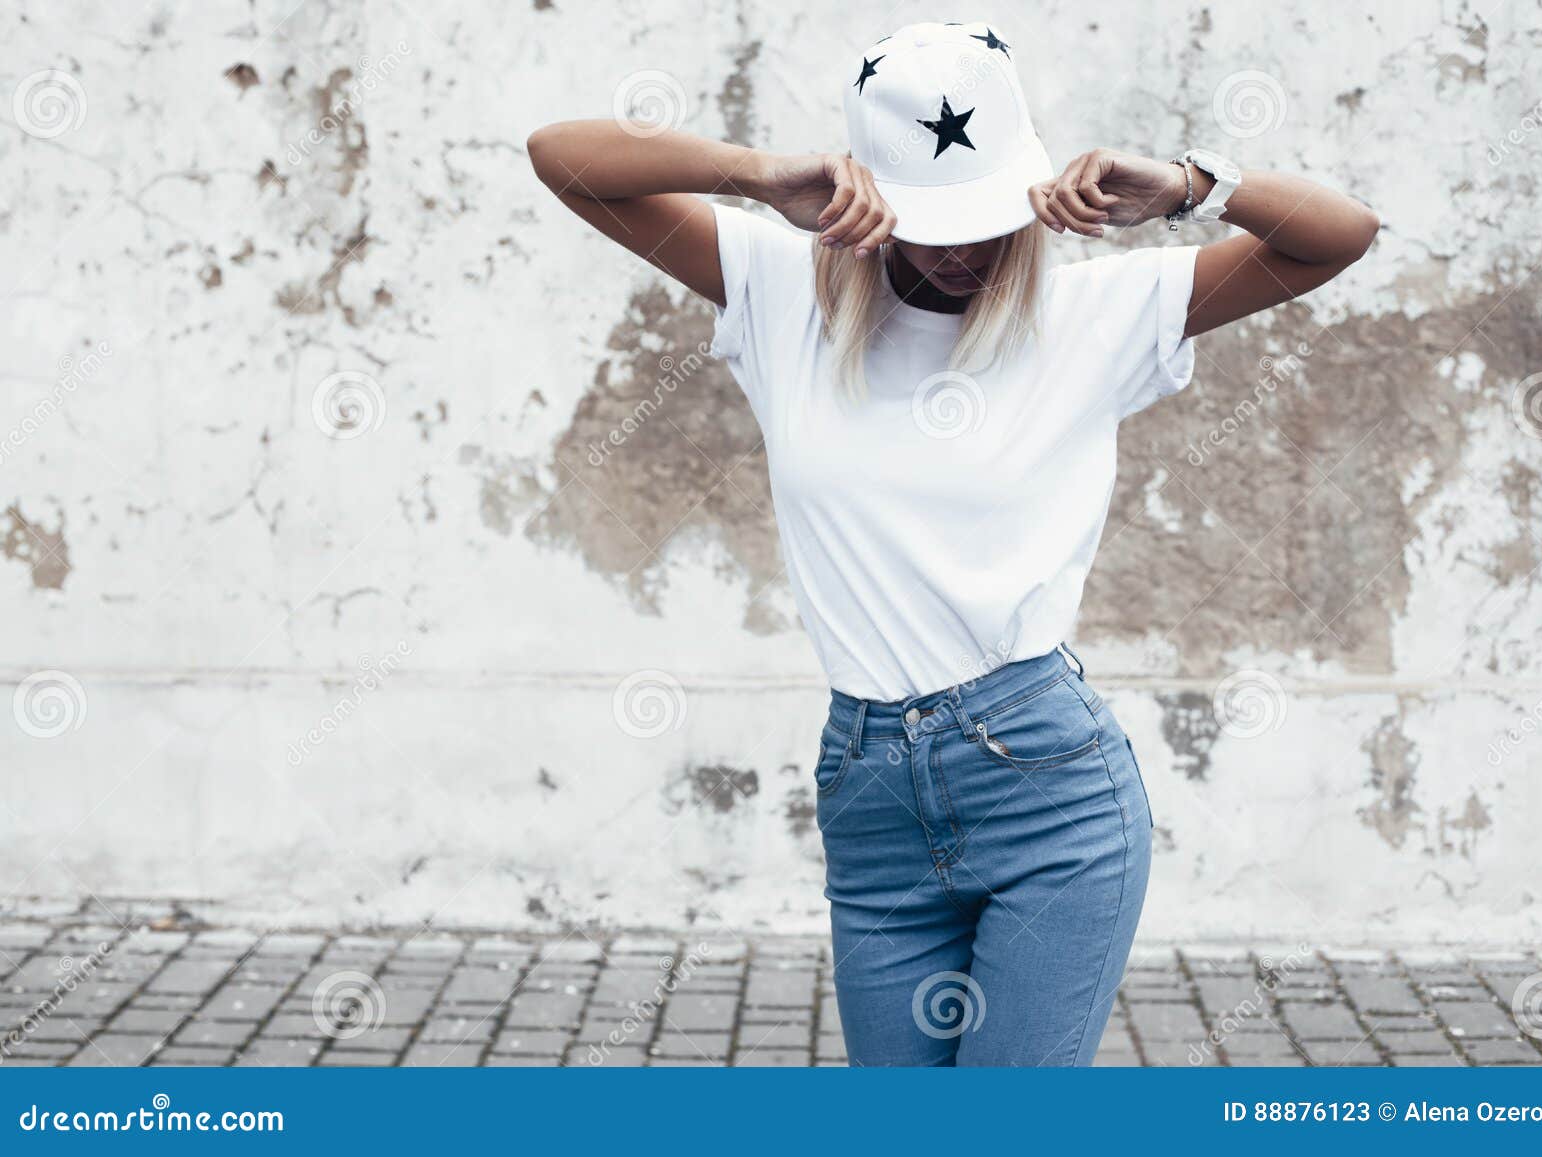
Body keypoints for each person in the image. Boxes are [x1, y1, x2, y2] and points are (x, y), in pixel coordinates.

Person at [527, 20, 1378, 1065]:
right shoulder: (777, 288)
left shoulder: (1092, 311)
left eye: (985, 215)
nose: (966, 249)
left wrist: (1193, 183)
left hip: (1047, 792)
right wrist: (753, 174)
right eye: (935, 221)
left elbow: (1339, 234)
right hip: (869, 792)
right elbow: (560, 157)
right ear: (868, 198)